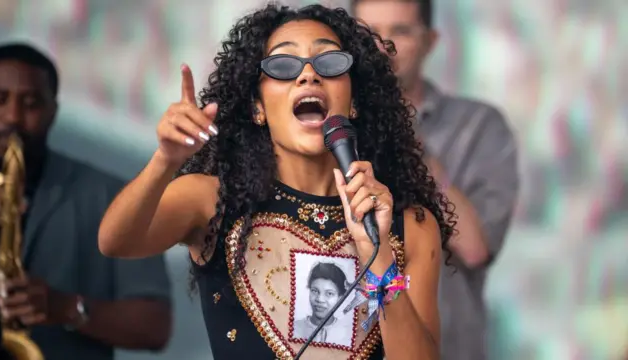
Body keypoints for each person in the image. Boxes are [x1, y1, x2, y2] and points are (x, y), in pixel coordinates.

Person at [99, 4, 456, 360]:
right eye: (284, 66)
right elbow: (115, 242)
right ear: (257, 108)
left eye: (329, 63)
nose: (308, 76)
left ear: (354, 103)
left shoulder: (410, 225)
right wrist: (165, 161)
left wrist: (378, 261)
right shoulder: (211, 200)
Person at [353, 1, 520, 359]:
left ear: (430, 41)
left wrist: (405, 140)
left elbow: (475, 248)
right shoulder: (329, 127)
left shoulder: (479, 127)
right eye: (369, 32)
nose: (384, 45)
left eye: (401, 31)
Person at [0, 43, 172, 359]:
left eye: (31, 103)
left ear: (53, 111)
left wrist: (65, 307)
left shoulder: (113, 196)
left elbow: (155, 326)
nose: (13, 117)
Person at [293, 262, 350, 345]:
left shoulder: (347, 334)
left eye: (329, 293)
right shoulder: (294, 329)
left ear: (340, 298)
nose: (320, 299)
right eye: (315, 291)